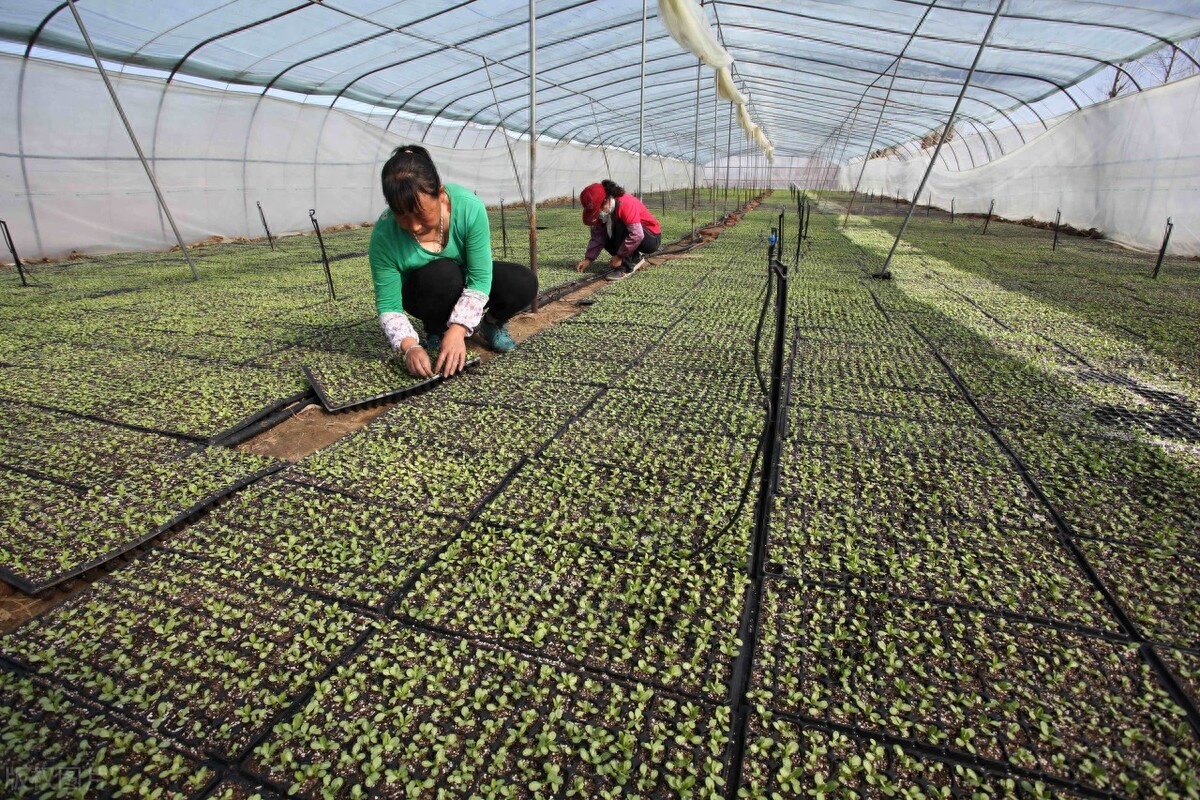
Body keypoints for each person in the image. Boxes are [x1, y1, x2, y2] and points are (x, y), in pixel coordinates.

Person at [369, 145, 537, 377]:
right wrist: (409, 347)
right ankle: (436, 330)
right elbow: (389, 306)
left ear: (439, 193)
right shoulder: (384, 235)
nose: (414, 225)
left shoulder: (469, 207)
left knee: (522, 281)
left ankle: (490, 323)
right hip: (423, 294)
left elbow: (479, 277)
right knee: (442, 273)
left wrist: (458, 330)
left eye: (420, 213)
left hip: (462, 280)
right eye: (401, 215)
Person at [574, 180, 662, 281]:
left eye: (599, 209)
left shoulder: (624, 203)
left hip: (650, 238)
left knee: (621, 223)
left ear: (606, 200)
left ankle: (625, 267)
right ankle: (635, 259)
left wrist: (620, 257)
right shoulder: (606, 211)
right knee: (603, 231)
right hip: (636, 236)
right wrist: (588, 259)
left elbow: (637, 234)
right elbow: (598, 236)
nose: (599, 213)